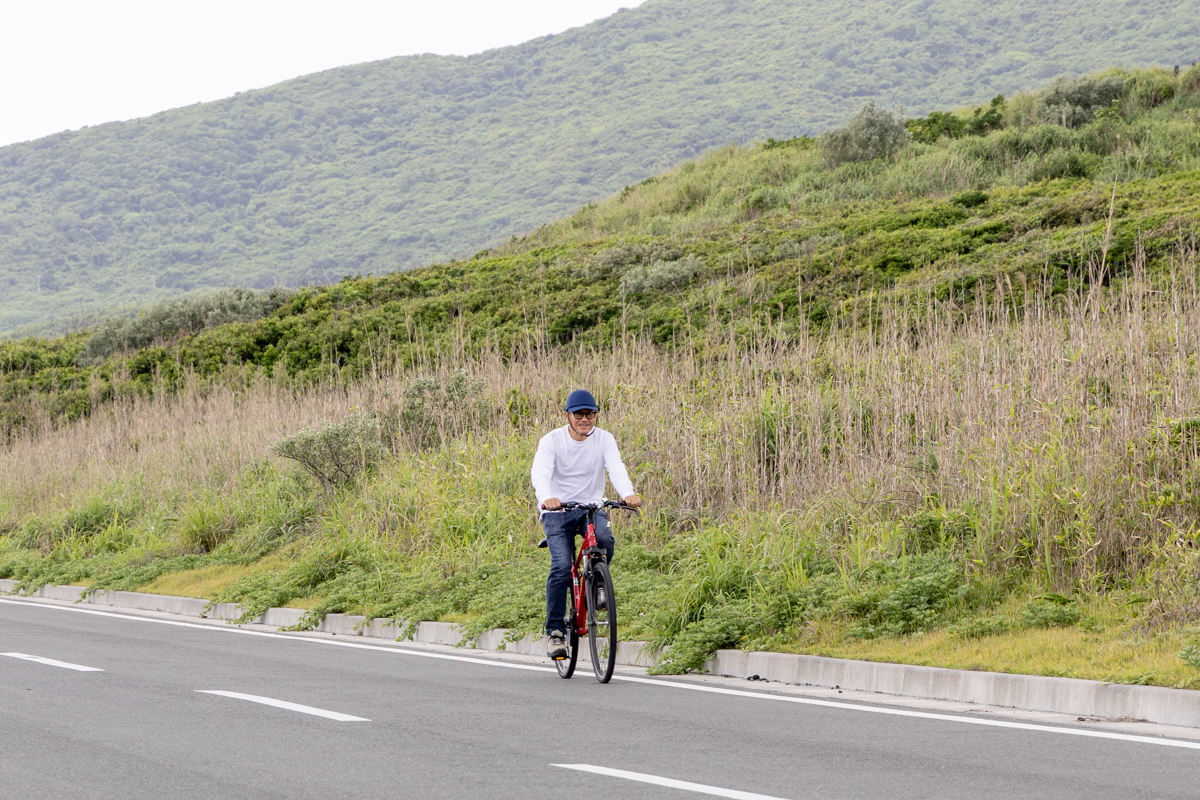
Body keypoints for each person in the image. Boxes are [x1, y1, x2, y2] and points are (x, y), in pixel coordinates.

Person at [531, 389, 642, 660]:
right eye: (578, 414)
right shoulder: (552, 441)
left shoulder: (604, 439)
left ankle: (597, 585)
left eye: (590, 413)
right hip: (557, 511)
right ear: (567, 415)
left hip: (590, 507)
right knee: (561, 566)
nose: (584, 419)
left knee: (604, 541)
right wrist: (547, 498)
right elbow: (541, 472)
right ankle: (556, 633)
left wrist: (627, 493)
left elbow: (616, 467)